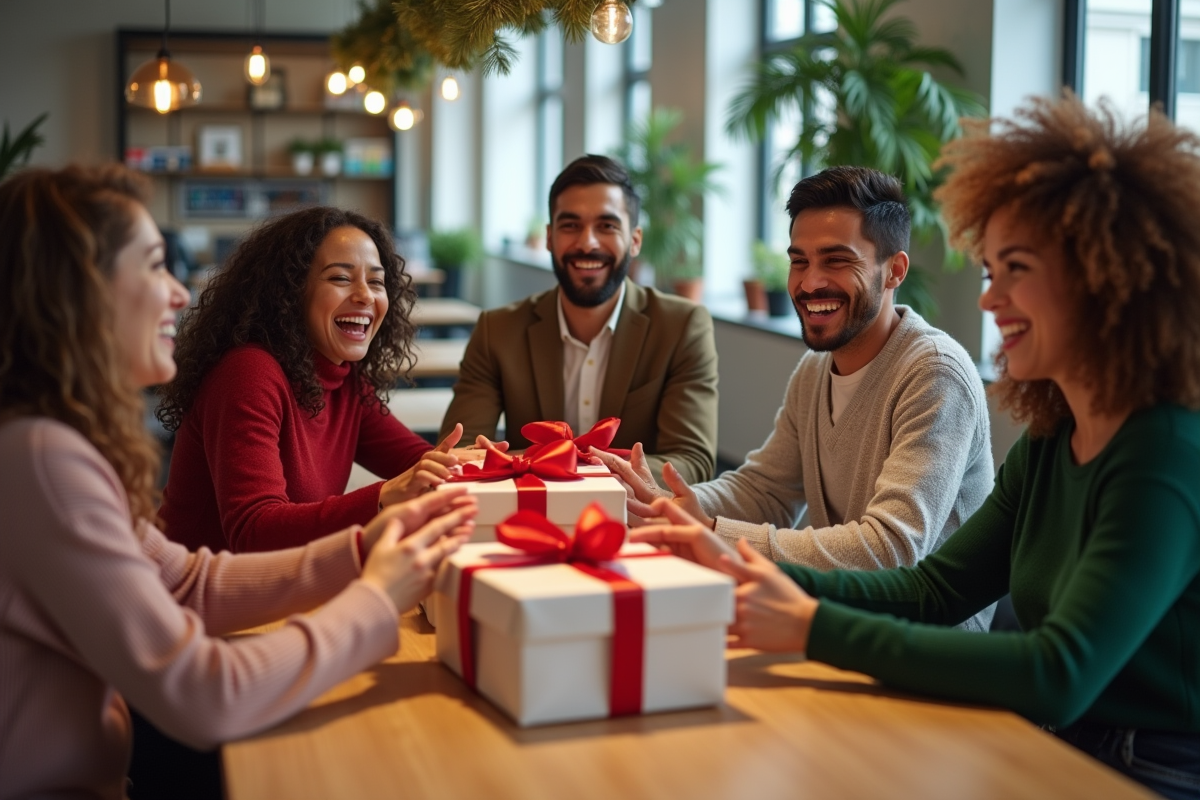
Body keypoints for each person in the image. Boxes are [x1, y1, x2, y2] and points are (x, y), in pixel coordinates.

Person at [633, 95, 1200, 799]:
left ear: (1104, 277)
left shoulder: (1165, 452)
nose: (989, 301)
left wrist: (808, 623)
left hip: (1150, 769)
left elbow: (1057, 674)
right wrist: (738, 560)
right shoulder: (1053, 439)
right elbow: (935, 588)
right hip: (1051, 737)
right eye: (992, 273)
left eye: (1016, 269)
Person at [0, 165, 478, 799]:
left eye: (376, 279)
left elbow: (184, 580)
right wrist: (374, 595)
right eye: (152, 266)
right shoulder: (42, 458)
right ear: (75, 291)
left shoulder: (55, 444)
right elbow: (204, 691)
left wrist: (368, 549)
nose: (177, 292)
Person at [596, 165, 995, 631]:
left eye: (837, 261)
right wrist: (662, 501)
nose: (808, 283)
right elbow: (765, 490)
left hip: (923, 648)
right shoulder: (816, 368)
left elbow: (891, 549)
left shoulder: (934, 374)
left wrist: (708, 532)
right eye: (799, 260)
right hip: (835, 616)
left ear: (894, 271)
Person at [157, 206, 468, 553]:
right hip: (198, 601)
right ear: (289, 291)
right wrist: (383, 496)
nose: (365, 295)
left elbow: (417, 460)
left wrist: (468, 462)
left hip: (276, 591)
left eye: (377, 281)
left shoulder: (342, 377)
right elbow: (254, 533)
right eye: (340, 278)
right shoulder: (248, 373)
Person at [439, 154, 719, 484]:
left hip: (638, 520)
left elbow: (692, 461)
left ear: (635, 240)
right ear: (549, 237)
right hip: (528, 511)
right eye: (570, 225)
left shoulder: (682, 326)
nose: (587, 243)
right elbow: (459, 452)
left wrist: (566, 471)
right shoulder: (497, 330)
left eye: (607, 226)